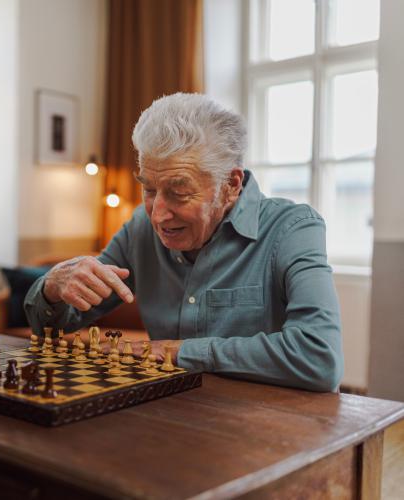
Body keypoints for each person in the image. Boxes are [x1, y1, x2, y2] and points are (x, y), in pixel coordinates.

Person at [25, 93, 343, 392]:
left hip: (273, 431)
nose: (158, 215)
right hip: (170, 420)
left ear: (230, 185)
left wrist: (180, 351)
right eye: (149, 190)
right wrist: (53, 287)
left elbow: (319, 357)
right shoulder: (140, 228)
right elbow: (57, 324)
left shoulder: (293, 228)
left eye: (179, 193)